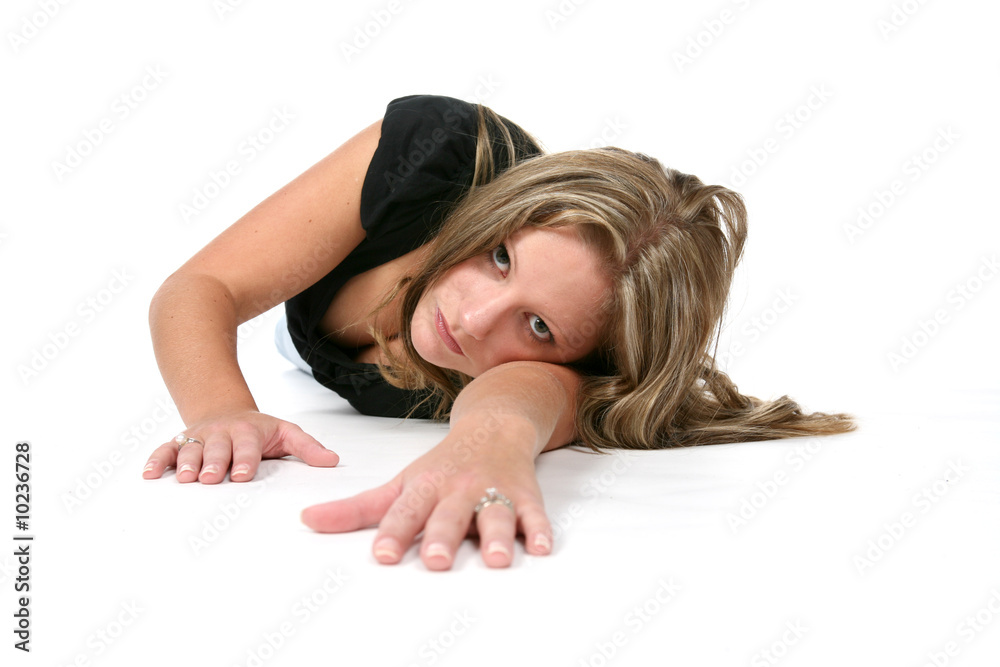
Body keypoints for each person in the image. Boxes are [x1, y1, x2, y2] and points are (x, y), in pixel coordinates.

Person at [142, 94, 855, 570]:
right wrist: (219, 409)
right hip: (300, 327)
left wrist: (490, 445)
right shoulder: (437, 151)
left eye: (539, 325)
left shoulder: (575, 370)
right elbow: (203, 287)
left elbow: (522, 400)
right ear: (502, 206)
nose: (473, 319)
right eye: (500, 257)